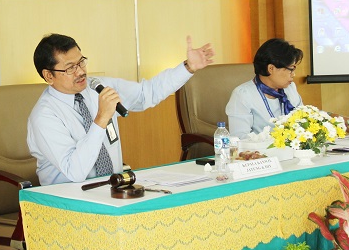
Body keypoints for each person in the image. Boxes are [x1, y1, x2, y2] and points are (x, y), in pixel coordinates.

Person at [27, 33, 214, 185]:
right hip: (67, 202)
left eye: (81, 62)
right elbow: (75, 172)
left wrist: (188, 67)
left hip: (114, 189)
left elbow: (146, 93)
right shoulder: (45, 116)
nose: (81, 71)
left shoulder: (98, 87)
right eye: (70, 68)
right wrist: (101, 118)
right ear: (49, 76)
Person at [225, 38, 304, 138]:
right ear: (271, 68)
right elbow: (239, 137)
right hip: (260, 147)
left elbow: (303, 119)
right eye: (291, 69)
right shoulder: (242, 95)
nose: (293, 74)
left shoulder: (290, 88)